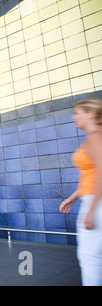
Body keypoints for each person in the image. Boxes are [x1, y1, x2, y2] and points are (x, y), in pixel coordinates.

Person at [60, 97, 102, 286]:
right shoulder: (92, 138)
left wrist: (92, 210)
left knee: (89, 257)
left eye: (77, 113)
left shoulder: (96, 137)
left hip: (96, 202)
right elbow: (91, 176)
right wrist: (73, 197)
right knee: (91, 256)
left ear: (90, 114)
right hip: (92, 199)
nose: (73, 117)